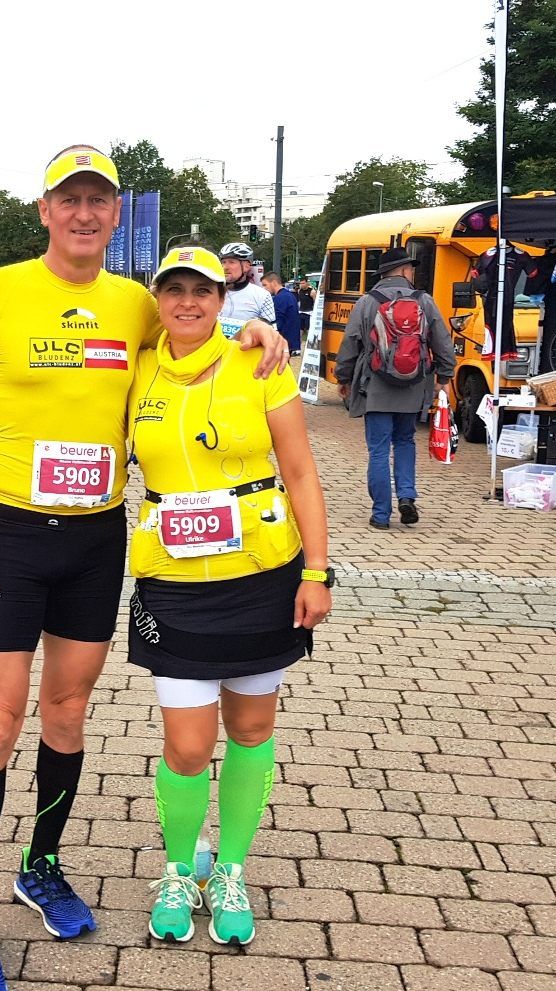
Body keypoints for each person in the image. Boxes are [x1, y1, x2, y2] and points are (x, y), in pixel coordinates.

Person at [0, 144, 287, 991]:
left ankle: (39, 865)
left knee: (67, 710)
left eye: (99, 200)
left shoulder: (137, 302)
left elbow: (204, 335)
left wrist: (258, 327)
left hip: (97, 538)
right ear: (45, 209)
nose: (84, 213)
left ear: (116, 214)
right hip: (8, 533)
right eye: (69, 199)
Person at [126, 247, 331, 946]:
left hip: (262, 573)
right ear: (157, 298)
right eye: (174, 290)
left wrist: (319, 570)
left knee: (250, 731)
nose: (188, 302)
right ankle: (182, 866)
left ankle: (232, 867)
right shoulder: (138, 362)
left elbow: (300, 471)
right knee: (186, 747)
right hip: (175, 580)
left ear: (223, 298)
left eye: (202, 291)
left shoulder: (261, 360)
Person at [334, 246, 454, 530]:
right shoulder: (424, 301)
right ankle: (407, 497)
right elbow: (442, 341)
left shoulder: (367, 302)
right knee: (405, 441)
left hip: (375, 386)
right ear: (403, 270)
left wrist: (343, 378)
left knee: (377, 450)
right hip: (413, 385)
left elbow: (350, 342)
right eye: (410, 268)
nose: (412, 272)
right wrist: (445, 376)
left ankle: (380, 514)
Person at [218, 242, 275, 337]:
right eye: (223, 262)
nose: (225, 267)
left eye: (231, 262)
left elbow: (269, 332)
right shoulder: (212, 292)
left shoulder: (262, 295)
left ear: (246, 266)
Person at [261, 271, 302, 355]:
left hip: (282, 340)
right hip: (290, 340)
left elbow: (277, 321)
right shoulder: (289, 295)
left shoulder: (280, 298)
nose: (264, 288)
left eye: (265, 285)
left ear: (274, 283)